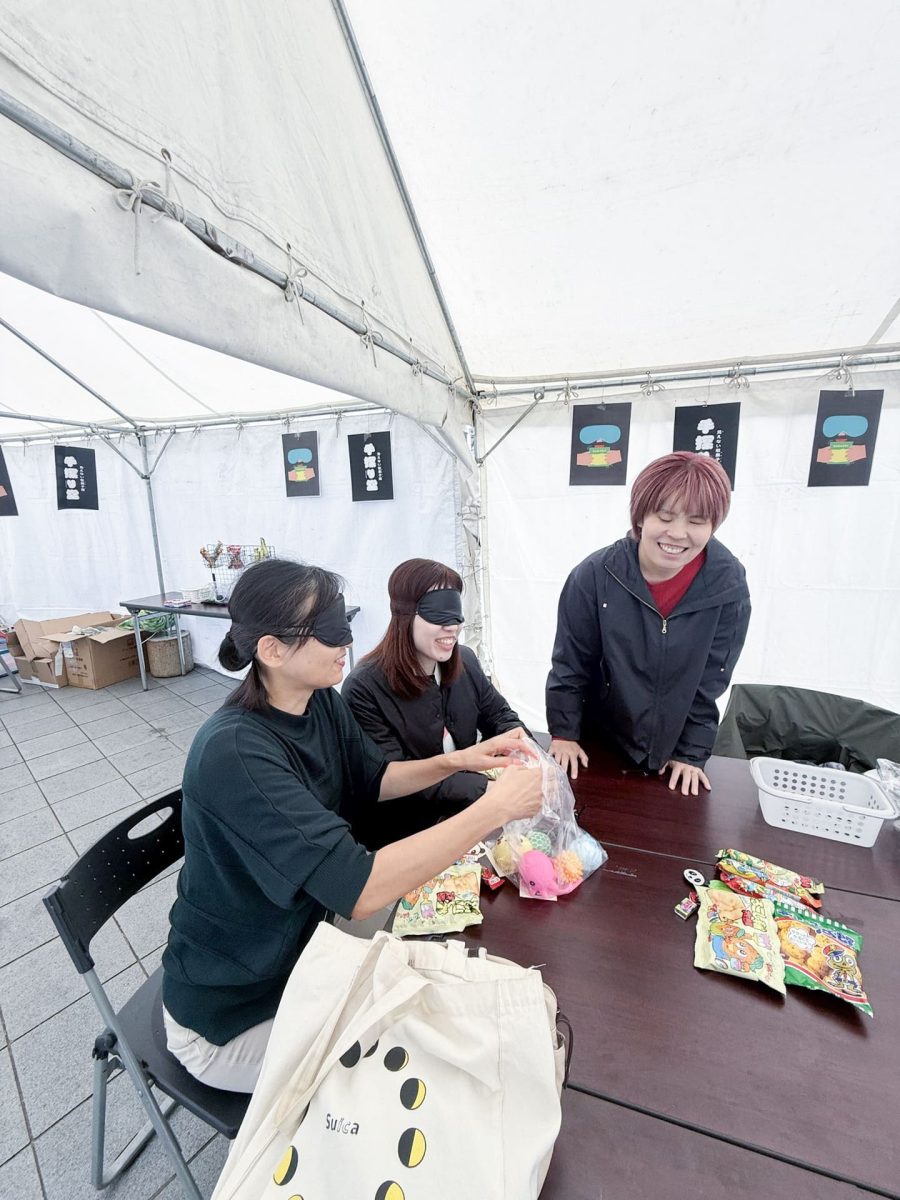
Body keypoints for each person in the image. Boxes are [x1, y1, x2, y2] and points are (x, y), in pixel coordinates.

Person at [161, 558, 540, 1093]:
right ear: (272, 650)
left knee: (451, 968)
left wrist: (461, 759)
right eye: (329, 630)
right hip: (237, 1011)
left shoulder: (317, 701)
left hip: (307, 948)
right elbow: (358, 889)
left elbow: (377, 777)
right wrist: (494, 809)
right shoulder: (237, 752)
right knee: (418, 1064)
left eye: (345, 622)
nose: (347, 641)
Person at [546, 451, 750, 795]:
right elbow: (571, 664)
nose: (678, 534)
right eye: (665, 516)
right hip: (598, 744)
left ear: (713, 526)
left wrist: (691, 753)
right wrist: (564, 733)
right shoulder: (595, 576)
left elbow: (711, 680)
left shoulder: (727, 585)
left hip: (674, 754)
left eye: (697, 521)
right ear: (640, 516)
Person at [342, 558, 525, 847]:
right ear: (405, 615)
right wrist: (489, 789)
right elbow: (395, 778)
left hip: (467, 817)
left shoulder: (466, 662)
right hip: (401, 838)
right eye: (438, 613)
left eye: (456, 615)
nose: (452, 626)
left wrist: (529, 758)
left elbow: (500, 716)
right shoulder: (364, 688)